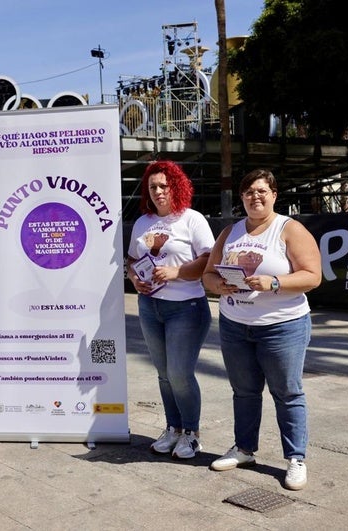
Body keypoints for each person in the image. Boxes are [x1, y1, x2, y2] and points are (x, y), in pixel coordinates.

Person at [202, 168, 322, 491]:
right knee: (244, 391)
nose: (255, 197)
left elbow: (313, 275)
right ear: (241, 198)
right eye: (248, 192)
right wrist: (219, 286)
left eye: (261, 191)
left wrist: (275, 282)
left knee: (287, 391)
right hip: (235, 325)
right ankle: (243, 449)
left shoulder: (289, 229)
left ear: (274, 195)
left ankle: (295, 458)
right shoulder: (230, 232)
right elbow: (208, 275)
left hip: (282, 327)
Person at [126, 160, 214, 459]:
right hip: (150, 306)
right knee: (164, 374)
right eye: (153, 187)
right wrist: (135, 279)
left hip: (186, 308)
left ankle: (191, 433)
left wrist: (177, 273)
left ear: (176, 186)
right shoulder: (143, 222)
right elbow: (131, 260)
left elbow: (208, 260)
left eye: (164, 185)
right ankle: (173, 428)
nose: (159, 191)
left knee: (179, 373)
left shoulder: (192, 220)